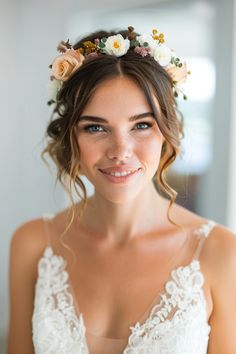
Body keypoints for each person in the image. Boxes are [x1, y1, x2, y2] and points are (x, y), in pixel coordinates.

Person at [7, 26, 236, 354]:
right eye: (96, 127)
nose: (120, 150)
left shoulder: (222, 253)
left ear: (167, 132)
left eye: (142, 125)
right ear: (71, 136)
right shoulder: (31, 244)